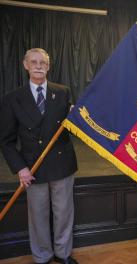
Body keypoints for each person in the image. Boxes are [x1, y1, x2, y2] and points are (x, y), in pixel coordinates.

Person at [0, 48, 78, 264]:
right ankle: (42, 257)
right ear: (25, 65)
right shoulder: (12, 98)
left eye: (43, 62)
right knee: (38, 217)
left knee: (64, 214)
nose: (38, 66)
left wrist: (76, 120)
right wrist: (20, 168)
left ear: (48, 66)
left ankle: (63, 254)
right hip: (32, 167)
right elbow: (6, 140)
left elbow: (70, 130)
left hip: (62, 164)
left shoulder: (63, 92)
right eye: (33, 62)